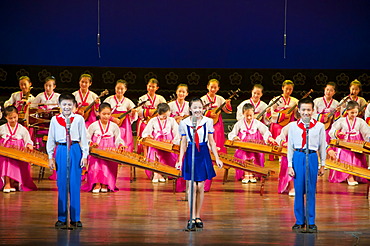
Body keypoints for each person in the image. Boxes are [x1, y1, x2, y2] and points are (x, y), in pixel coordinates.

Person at [176, 98, 223, 230]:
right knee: (192, 186)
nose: (197, 110)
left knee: (200, 186)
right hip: (191, 152)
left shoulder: (208, 122)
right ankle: (191, 216)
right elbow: (183, 143)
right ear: (190, 109)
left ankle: (197, 215)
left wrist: (217, 158)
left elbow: (211, 141)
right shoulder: (184, 123)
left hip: (202, 152)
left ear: (203, 108)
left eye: (200, 107)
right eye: (195, 107)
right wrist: (180, 160)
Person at [47, 93, 89, 228]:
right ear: (59, 106)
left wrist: (84, 155)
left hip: (75, 149)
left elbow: (84, 138)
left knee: (75, 184)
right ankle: (62, 217)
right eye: (64, 104)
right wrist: (50, 157)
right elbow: (51, 139)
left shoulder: (78, 119)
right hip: (62, 149)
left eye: (69, 104)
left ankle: (75, 218)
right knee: (62, 184)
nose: (67, 107)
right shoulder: (54, 120)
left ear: (74, 106)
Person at [287, 98, 326, 233]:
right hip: (298, 155)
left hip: (312, 156)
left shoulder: (319, 126)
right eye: (303, 110)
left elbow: (322, 147)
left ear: (313, 111)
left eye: (308, 110)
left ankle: (311, 220)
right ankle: (299, 220)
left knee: (310, 190)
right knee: (299, 190)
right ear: (299, 110)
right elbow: (290, 147)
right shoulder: (292, 126)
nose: (306, 112)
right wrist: (290, 165)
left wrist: (323, 164)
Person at [82, 103, 124, 193]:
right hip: (97, 148)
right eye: (104, 114)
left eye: (108, 114)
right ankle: (97, 183)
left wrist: (120, 145)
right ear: (99, 113)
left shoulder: (114, 126)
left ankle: (105, 184)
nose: (106, 116)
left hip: (109, 149)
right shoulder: (93, 125)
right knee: (96, 166)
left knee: (107, 167)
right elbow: (87, 137)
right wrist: (91, 143)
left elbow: (118, 138)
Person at [228, 103, 274, 183]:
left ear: (254, 114)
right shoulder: (239, 123)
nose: (249, 117)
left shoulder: (256, 122)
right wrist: (234, 137)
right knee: (244, 156)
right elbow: (232, 133)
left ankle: (253, 174)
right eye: (247, 116)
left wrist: (268, 137)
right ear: (243, 114)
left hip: (254, 145)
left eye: (251, 115)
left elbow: (265, 131)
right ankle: (246, 175)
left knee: (254, 156)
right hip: (243, 146)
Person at [328, 101, 370, 185]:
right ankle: (349, 177)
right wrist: (337, 133)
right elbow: (332, 130)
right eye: (352, 112)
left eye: (356, 112)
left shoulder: (360, 121)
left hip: (357, 142)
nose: (354, 114)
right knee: (347, 158)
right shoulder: (342, 120)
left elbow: (366, 132)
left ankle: (356, 175)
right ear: (347, 111)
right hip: (344, 142)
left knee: (357, 158)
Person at [201, 79, 232, 191]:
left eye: (215, 87)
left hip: (217, 123)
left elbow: (228, 111)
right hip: (206, 123)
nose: (213, 89)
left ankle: (217, 159)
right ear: (207, 87)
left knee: (217, 140)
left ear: (218, 88)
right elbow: (199, 111)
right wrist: (209, 113)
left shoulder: (220, 99)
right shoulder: (203, 99)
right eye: (211, 87)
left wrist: (228, 104)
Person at [0, 106, 37, 193]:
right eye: (10, 118)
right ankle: (7, 183)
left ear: (18, 116)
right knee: (6, 161)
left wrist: (29, 145)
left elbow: (28, 140)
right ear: (5, 118)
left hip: (19, 153)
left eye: (15, 117)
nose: (13, 120)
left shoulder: (22, 129)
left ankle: (13, 183)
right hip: (5, 153)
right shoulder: (2, 128)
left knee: (14, 161)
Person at [30, 76, 61, 180]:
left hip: (54, 123)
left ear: (54, 87)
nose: (48, 88)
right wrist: (40, 110)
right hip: (43, 123)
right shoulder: (40, 96)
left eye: (50, 86)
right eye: (46, 85)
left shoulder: (58, 96)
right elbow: (32, 107)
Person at [142, 103, 179, 182]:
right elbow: (145, 133)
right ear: (158, 114)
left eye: (166, 115)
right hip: (156, 141)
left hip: (168, 142)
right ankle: (156, 173)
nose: (165, 117)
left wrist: (174, 141)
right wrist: (148, 136)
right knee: (155, 151)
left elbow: (177, 132)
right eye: (163, 115)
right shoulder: (153, 120)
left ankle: (162, 173)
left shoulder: (171, 120)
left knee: (166, 155)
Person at [104, 79, 137, 152]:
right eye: (118, 88)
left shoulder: (128, 102)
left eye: (122, 89)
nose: (119, 91)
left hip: (124, 125)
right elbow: (103, 112)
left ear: (125, 89)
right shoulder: (109, 100)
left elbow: (134, 117)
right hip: (110, 124)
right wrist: (112, 119)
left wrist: (133, 113)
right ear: (115, 88)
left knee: (122, 132)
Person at [268, 80, 298, 160]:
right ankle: (278, 153)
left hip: (290, 122)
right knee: (278, 130)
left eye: (290, 89)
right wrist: (283, 116)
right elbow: (270, 113)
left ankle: (289, 153)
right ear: (282, 88)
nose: (288, 91)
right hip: (278, 122)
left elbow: (297, 115)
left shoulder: (295, 101)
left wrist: (297, 109)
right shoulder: (276, 100)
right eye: (286, 89)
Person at [136, 78, 166, 154]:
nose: (151, 88)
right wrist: (149, 112)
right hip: (144, 120)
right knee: (143, 134)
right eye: (149, 86)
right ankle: (143, 154)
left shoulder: (160, 98)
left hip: (156, 121)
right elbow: (138, 110)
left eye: (153, 87)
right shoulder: (142, 98)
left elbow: (165, 109)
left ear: (157, 88)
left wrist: (156, 114)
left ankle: (155, 153)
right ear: (147, 86)